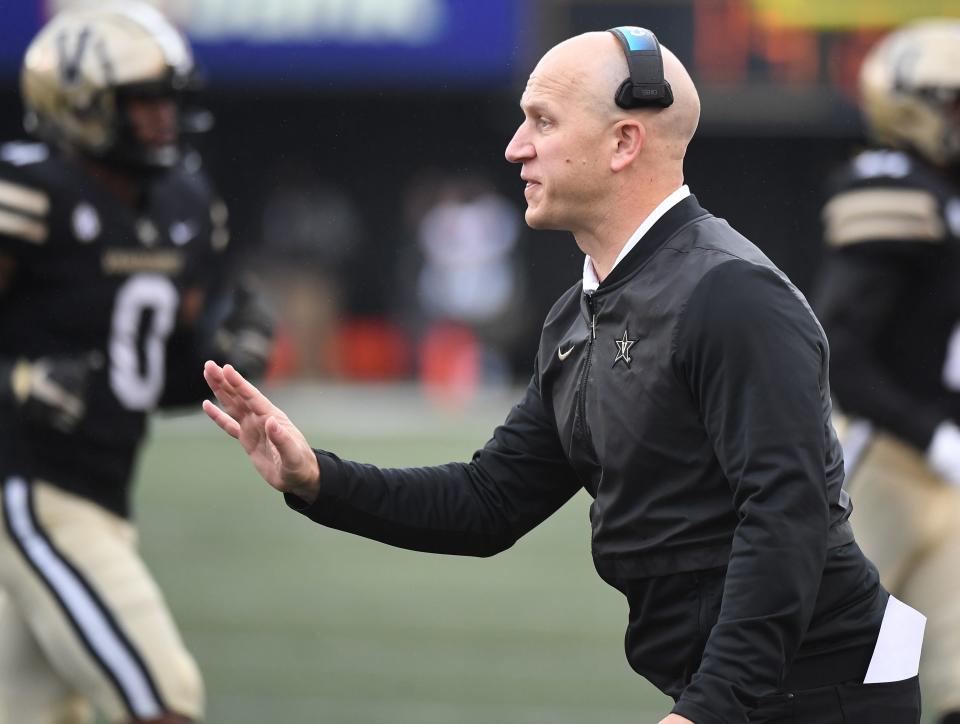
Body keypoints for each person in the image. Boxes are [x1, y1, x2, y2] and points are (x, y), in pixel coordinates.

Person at [203, 27, 924, 724]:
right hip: (745, 689)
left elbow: (785, 518)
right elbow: (490, 502)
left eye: (542, 121)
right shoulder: (583, 312)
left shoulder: (731, 295)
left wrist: (710, 710)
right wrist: (317, 479)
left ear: (623, 142)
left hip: (825, 694)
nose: (517, 148)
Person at [0, 4, 274, 723]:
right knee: (163, 699)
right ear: (78, 104)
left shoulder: (185, 204)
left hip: (102, 494)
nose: (164, 119)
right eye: (144, 102)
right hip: (30, 493)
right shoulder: (28, 194)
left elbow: (139, 377)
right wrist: (18, 383)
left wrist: (227, 360)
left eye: (170, 101)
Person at [813, 18, 960, 724]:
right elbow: (840, 350)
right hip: (885, 468)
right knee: (861, 672)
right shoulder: (892, 190)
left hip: (951, 479)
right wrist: (935, 437)